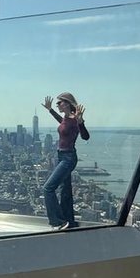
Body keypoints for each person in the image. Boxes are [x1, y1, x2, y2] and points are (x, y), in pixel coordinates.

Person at [41, 92, 89, 230]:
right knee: (65, 191)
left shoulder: (75, 119)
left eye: (59, 103)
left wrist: (81, 122)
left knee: (48, 188)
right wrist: (50, 110)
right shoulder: (66, 118)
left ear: (67, 103)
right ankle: (69, 221)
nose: (57, 105)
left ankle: (57, 222)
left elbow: (85, 136)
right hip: (60, 156)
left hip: (68, 158)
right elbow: (62, 122)